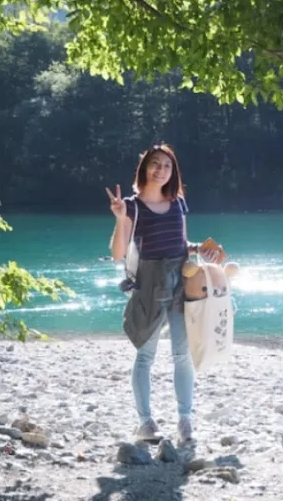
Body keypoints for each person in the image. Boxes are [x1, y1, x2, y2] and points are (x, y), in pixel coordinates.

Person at [105, 143, 220, 445]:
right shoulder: (131, 206)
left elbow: (181, 244)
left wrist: (200, 249)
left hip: (181, 283)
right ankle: (145, 423)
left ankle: (185, 421)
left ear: (173, 172)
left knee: (182, 355)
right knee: (146, 356)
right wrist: (119, 218)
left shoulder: (178, 202)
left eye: (167, 166)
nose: (161, 170)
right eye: (155, 164)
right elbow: (118, 253)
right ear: (144, 168)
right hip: (149, 286)